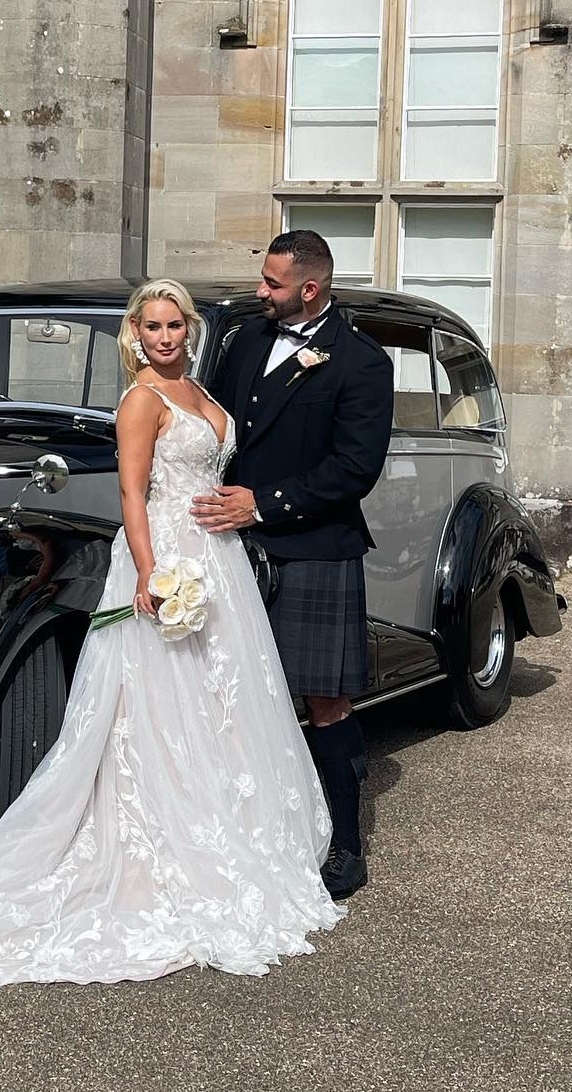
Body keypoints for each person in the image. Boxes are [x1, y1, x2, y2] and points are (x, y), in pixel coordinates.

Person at [0, 279, 343, 984]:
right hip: (167, 553)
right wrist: (148, 570)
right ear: (135, 334)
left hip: (217, 559)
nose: (165, 337)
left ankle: (236, 833)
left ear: (188, 331)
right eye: (154, 327)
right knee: (162, 708)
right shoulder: (142, 400)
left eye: (175, 325)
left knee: (226, 702)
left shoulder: (201, 395)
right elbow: (132, 492)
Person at [193, 231, 393, 900]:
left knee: (324, 701)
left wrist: (264, 505)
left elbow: (354, 468)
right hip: (231, 546)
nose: (260, 292)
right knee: (231, 693)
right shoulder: (246, 340)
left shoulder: (362, 362)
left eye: (272, 284)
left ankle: (343, 846)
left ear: (310, 288)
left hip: (313, 546)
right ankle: (252, 834)